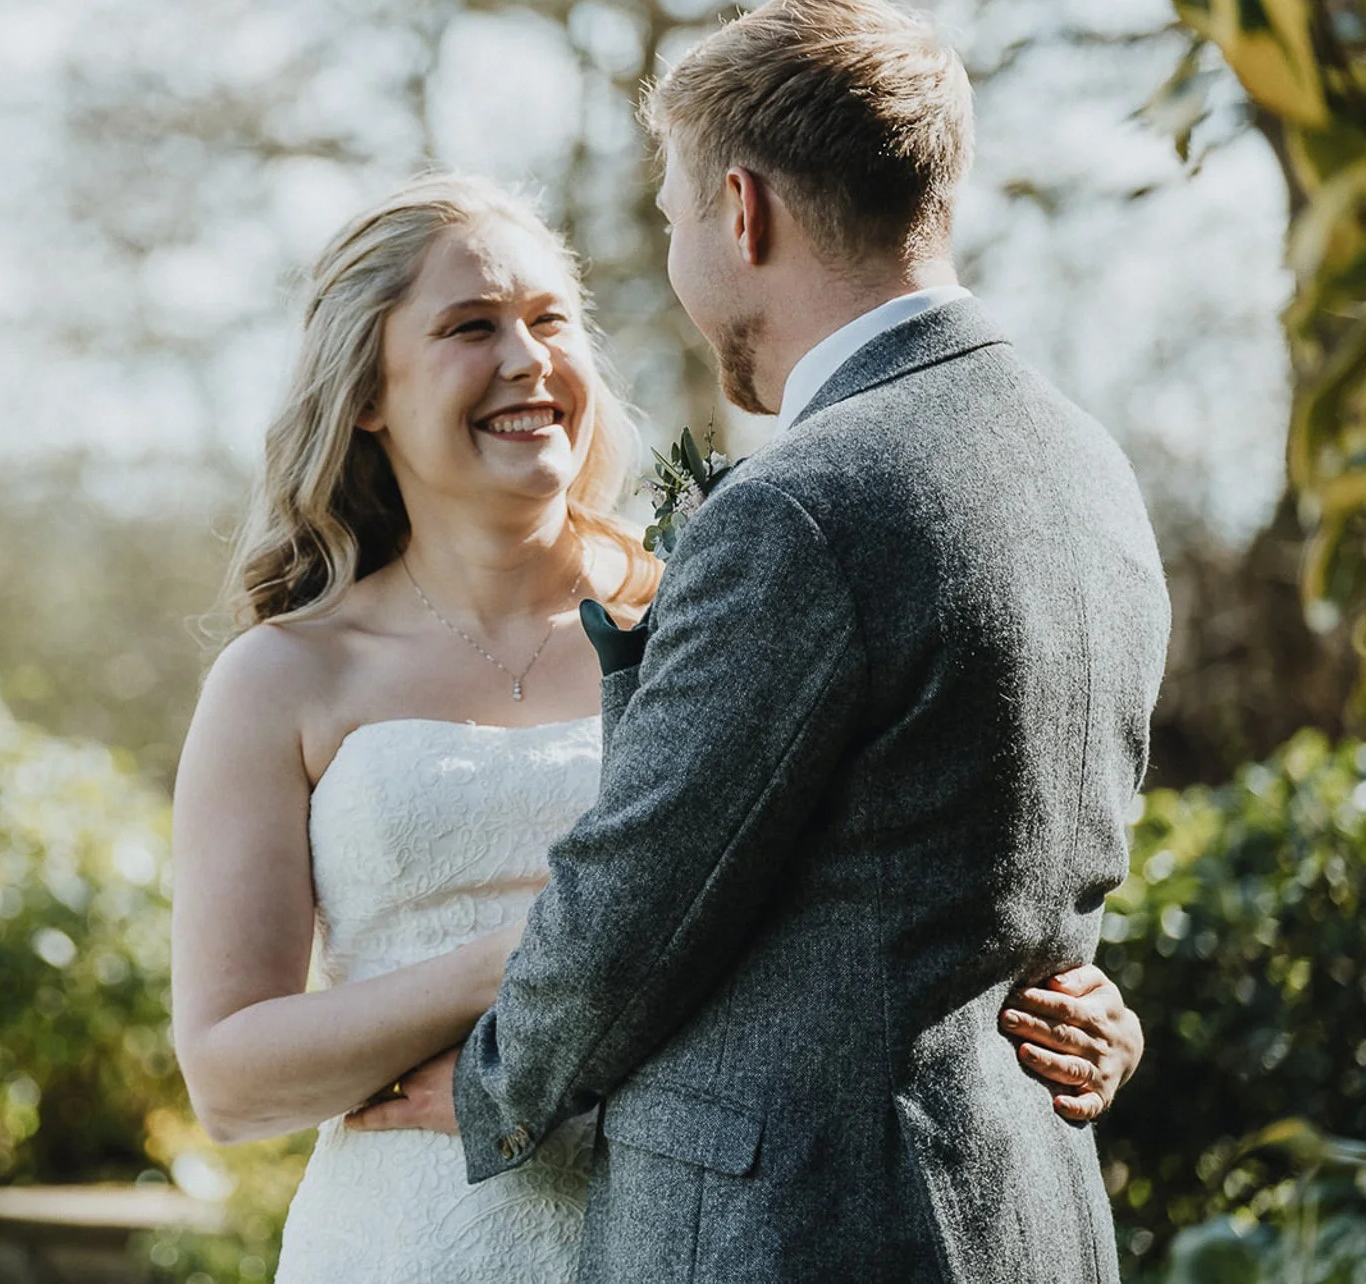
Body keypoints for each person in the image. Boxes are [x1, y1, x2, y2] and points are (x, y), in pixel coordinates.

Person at [171, 166, 1147, 1281]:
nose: (528, 359)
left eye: (550, 320)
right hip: (407, 1236)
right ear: (366, 392)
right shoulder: (282, 675)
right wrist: (525, 965)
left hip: (715, 1230)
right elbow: (230, 1077)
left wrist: (1045, 988)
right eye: (468, 326)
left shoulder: (714, 601)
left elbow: (886, 886)